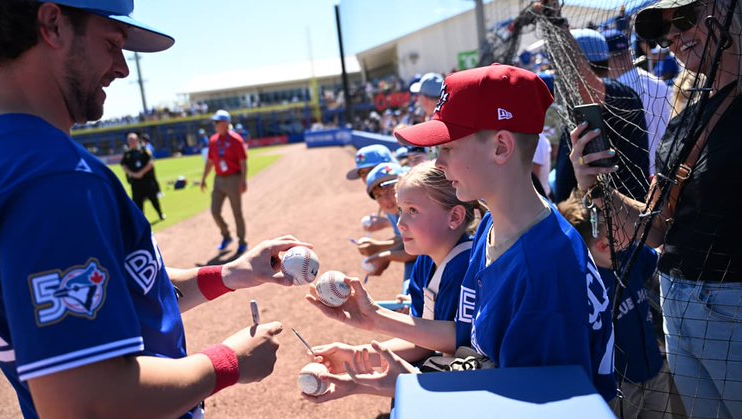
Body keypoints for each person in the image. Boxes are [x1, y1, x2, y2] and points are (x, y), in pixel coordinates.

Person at [0, 2, 305, 417]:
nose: (123, 68)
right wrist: (229, 363)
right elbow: (85, 405)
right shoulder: (51, 178)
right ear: (52, 25)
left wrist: (229, 274)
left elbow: (119, 291)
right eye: (112, 43)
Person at [306, 65, 616, 402]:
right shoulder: (495, 225)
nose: (437, 163)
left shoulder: (543, 269)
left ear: (500, 147)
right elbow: (473, 336)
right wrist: (374, 320)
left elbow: (531, 406)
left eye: (448, 148)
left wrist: (412, 385)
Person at [572, 0, 742, 415]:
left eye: (683, 17)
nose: (673, 36)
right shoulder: (686, 116)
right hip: (678, 302)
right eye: (664, 29)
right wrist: (596, 187)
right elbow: (655, 229)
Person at [304, 162, 478, 402]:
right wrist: (353, 356)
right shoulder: (425, 262)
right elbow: (422, 342)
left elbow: (461, 342)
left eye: (413, 210)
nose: (400, 223)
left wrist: (375, 318)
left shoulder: (467, 266)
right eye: (400, 210)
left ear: (455, 216)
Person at [558, 193, 673, 418]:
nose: (624, 237)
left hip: (654, 369)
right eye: (614, 235)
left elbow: (657, 257)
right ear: (601, 245)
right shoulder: (585, 285)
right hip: (618, 386)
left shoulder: (631, 256)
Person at [552, 28, 650, 203]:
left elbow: (590, 89)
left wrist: (558, 25)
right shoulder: (576, 107)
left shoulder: (622, 96)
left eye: (562, 63)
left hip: (623, 218)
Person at [603, 29, 671, 177]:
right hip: (670, 166)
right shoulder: (658, 82)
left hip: (643, 177)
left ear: (606, 58)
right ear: (629, 52)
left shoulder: (616, 95)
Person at [357, 162, 417, 288]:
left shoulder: (417, 208)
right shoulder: (398, 211)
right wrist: (378, 249)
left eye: (391, 189)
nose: (386, 199)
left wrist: (384, 255)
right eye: (378, 195)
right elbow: (403, 240)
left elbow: (417, 250)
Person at [200, 109, 248, 254]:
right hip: (218, 180)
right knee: (215, 211)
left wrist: (243, 181)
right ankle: (226, 236)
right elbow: (210, 162)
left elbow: (243, 162)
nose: (214, 124)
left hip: (234, 179)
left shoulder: (236, 140)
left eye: (217, 122)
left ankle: (242, 242)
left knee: (237, 213)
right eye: (214, 122)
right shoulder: (213, 140)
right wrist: (203, 179)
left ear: (226, 123)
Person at [121, 132, 165, 220]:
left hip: (147, 181)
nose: (131, 142)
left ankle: (160, 214)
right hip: (135, 183)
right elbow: (123, 165)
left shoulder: (144, 151)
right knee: (138, 203)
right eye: (129, 140)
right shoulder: (127, 153)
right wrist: (133, 174)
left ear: (137, 140)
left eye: (133, 140)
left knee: (153, 199)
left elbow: (151, 163)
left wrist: (141, 173)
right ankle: (142, 221)